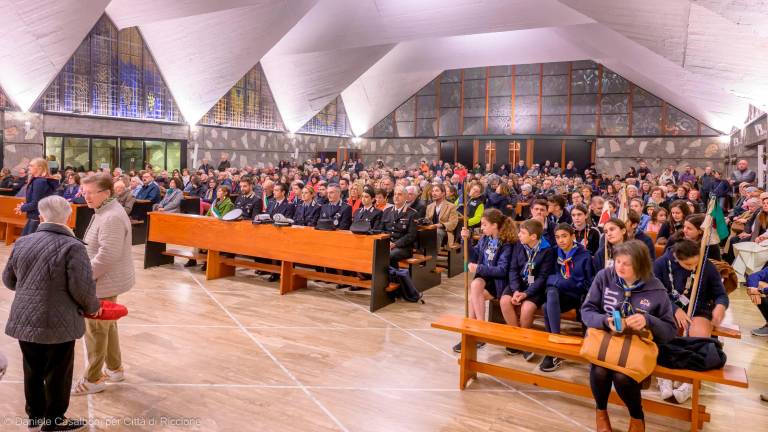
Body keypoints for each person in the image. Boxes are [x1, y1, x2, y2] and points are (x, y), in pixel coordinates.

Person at [4, 195, 102, 431]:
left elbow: (9, 280)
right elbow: (82, 287)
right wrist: (93, 307)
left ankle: (35, 417)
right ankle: (54, 420)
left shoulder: (23, 242)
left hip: (25, 318)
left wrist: (31, 288)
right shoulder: (73, 246)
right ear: (68, 217)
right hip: (60, 322)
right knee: (58, 372)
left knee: (32, 369)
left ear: (40, 216)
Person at [581, 240, 677, 432]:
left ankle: (637, 417)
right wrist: (604, 320)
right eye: (618, 261)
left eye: (626, 263)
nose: (619, 267)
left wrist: (648, 320)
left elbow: (670, 331)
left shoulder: (656, 288)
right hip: (606, 341)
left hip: (637, 347)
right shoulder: (604, 276)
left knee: (622, 377)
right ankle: (601, 413)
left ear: (640, 265)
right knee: (599, 370)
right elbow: (586, 311)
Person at [72, 174, 134, 397]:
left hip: (103, 281)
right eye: (83, 191)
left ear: (106, 193)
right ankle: (115, 369)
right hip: (104, 279)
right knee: (107, 325)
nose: (85, 196)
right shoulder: (106, 210)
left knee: (96, 329)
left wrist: (86, 277)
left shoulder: (111, 217)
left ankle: (93, 378)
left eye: (89, 192)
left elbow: (107, 255)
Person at [653, 239, 729, 403]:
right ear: (676, 258)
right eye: (688, 265)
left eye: (696, 264)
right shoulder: (660, 264)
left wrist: (720, 306)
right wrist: (675, 309)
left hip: (699, 309)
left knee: (699, 338)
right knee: (662, 335)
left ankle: (688, 383)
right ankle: (664, 377)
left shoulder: (706, 266)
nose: (693, 268)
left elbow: (721, 294)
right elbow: (655, 292)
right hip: (668, 307)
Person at [453, 209, 516, 350]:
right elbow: (473, 257)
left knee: (473, 297)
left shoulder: (506, 243)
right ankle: (478, 331)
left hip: (498, 281)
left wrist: (479, 269)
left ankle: (475, 333)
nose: (481, 228)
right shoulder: (486, 239)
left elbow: (502, 270)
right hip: (485, 278)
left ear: (494, 225)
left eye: (484, 225)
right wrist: (467, 240)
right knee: (475, 285)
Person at [540, 223, 595, 371]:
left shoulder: (584, 256)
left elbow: (587, 283)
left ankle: (554, 350)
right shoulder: (554, 253)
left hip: (576, 297)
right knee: (548, 299)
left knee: (549, 300)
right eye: (557, 237)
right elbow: (547, 277)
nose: (561, 240)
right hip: (559, 296)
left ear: (573, 236)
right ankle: (555, 348)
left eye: (564, 236)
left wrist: (563, 282)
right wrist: (563, 282)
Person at [499, 219, 556, 361]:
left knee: (527, 308)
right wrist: (517, 290)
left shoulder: (547, 250)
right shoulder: (519, 245)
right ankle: (516, 340)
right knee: (505, 301)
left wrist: (526, 293)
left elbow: (542, 277)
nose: (519, 235)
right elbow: (512, 269)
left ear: (533, 237)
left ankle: (525, 343)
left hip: (535, 287)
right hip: (518, 284)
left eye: (523, 233)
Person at [15, 158, 58, 236]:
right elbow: (35, 199)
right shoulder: (39, 180)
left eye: (31, 166)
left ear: (40, 168)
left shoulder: (39, 182)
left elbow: (36, 203)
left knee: (27, 243)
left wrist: (22, 208)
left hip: (37, 217)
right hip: (36, 216)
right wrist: (24, 206)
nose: (29, 167)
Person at [380, 185, 418, 268]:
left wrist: (395, 244)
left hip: (403, 247)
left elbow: (411, 235)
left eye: (399, 194)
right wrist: (386, 242)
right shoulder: (387, 211)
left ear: (406, 197)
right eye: (395, 194)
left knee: (389, 255)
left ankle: (393, 276)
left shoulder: (412, 213)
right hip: (387, 244)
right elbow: (381, 230)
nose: (396, 196)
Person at [425, 183, 459, 248]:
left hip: (445, 231)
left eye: (437, 191)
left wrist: (441, 225)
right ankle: (422, 253)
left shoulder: (451, 206)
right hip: (431, 229)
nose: (434, 193)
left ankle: (434, 254)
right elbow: (427, 220)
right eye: (433, 191)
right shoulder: (429, 206)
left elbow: (453, 223)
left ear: (443, 193)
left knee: (437, 232)